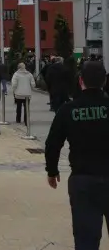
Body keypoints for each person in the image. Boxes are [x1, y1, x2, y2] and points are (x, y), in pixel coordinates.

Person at [45, 61, 109, 250]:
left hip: (82, 178)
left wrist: (52, 170)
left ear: (81, 81)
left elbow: (53, 143)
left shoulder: (68, 110)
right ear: (104, 81)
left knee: (86, 238)